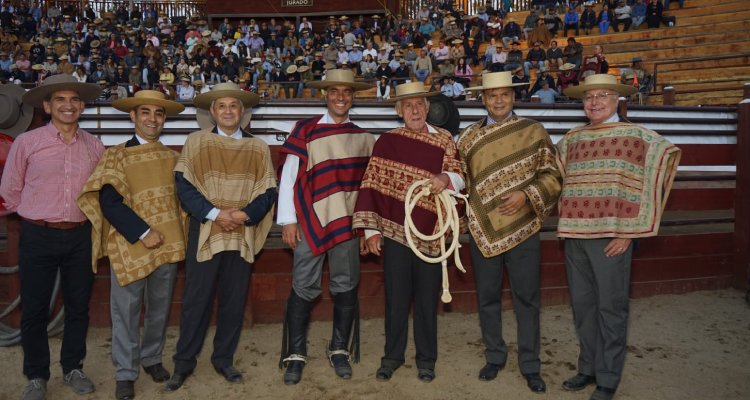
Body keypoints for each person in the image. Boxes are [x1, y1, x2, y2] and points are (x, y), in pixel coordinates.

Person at [558, 74, 680, 400]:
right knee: (583, 307)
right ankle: (588, 368)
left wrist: (631, 230)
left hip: (612, 238)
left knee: (610, 309)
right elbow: (551, 174)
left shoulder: (635, 137)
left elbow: (661, 165)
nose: (594, 102)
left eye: (601, 96)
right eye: (588, 97)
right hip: (574, 235)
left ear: (616, 99)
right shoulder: (572, 138)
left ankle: (608, 378)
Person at [166, 82, 277, 391]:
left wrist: (243, 215)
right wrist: (216, 214)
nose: (228, 111)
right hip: (205, 231)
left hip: (241, 232)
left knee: (233, 300)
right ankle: (184, 363)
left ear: (242, 112)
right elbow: (184, 186)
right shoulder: (196, 142)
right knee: (195, 301)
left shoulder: (258, 147)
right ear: (212, 112)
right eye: (222, 106)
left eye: (234, 106)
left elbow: (268, 190)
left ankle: (223, 359)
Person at [77, 90, 187, 400]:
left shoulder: (172, 158)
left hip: (166, 246)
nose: (153, 118)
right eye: (146, 113)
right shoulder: (116, 155)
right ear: (133, 116)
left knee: (159, 308)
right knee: (125, 311)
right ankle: (126, 372)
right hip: (130, 244)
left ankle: (151, 358)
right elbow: (109, 203)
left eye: (159, 113)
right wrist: (143, 232)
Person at [352, 81, 465, 383]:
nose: (414, 110)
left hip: (431, 232)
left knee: (428, 299)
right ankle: (392, 357)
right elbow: (372, 185)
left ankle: (426, 360)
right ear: (398, 110)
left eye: (419, 105)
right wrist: (371, 231)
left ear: (428, 109)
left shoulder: (445, 140)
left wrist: (445, 177)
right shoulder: (386, 142)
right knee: (397, 298)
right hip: (396, 234)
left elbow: (460, 177)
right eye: (408, 105)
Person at [0, 74, 104, 400]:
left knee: (78, 306)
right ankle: (36, 375)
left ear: (82, 105)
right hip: (37, 234)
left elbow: (101, 193)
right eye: (60, 99)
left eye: (73, 99)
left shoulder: (95, 146)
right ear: (47, 106)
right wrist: (37, 214)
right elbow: (10, 191)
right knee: (33, 308)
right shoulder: (27, 143)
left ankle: (73, 366)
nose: (68, 105)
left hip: (80, 235)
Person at [459, 71, 562, 395]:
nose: (499, 100)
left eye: (504, 94)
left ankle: (530, 365)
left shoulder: (533, 131)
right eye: (492, 96)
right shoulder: (468, 139)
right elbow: (463, 183)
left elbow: (552, 175)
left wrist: (526, 194)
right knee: (487, 297)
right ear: (483, 99)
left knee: (527, 299)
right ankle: (494, 356)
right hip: (484, 233)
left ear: (513, 97)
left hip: (524, 230)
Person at [277, 69, 375, 385]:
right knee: (304, 285)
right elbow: (290, 177)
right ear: (325, 94)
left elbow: (367, 188)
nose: (340, 97)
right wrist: (288, 220)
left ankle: (339, 350)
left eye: (346, 92)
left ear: (353, 96)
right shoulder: (305, 130)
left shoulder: (363, 137)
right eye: (334, 91)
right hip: (309, 221)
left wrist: (365, 227)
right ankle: (295, 354)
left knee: (345, 285)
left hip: (346, 225)